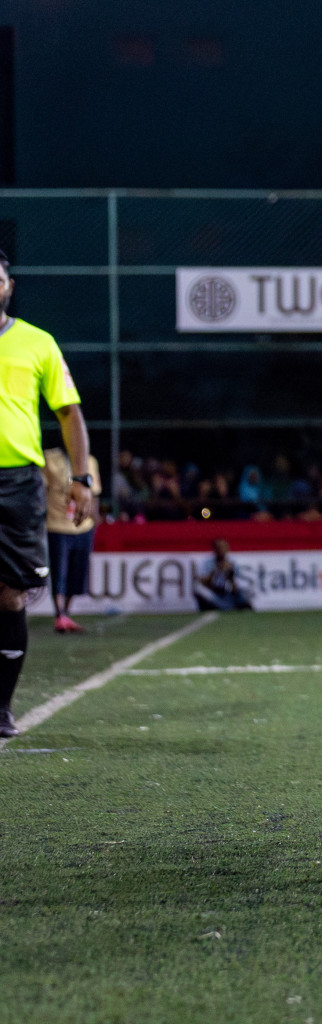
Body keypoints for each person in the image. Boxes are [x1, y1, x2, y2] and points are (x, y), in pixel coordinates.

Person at [0, 250, 95, 738]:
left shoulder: (37, 342)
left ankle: (2, 705)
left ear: (7, 285)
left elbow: (69, 413)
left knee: (10, 596)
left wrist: (82, 478)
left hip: (17, 485)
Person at [43, 446, 101, 633]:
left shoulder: (90, 460)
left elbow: (95, 493)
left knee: (77, 573)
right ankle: (59, 614)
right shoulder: (50, 459)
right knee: (59, 571)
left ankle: (66, 613)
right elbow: (41, 490)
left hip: (83, 526)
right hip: (57, 524)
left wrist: (95, 517)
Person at [194, 538, 253, 611]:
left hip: (227, 594)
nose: (221, 550)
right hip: (213, 593)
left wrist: (230, 574)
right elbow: (202, 581)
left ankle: (232, 606)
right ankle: (225, 607)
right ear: (214, 549)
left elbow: (236, 588)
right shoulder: (207, 562)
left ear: (227, 549)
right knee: (199, 590)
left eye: (223, 547)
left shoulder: (233, 562)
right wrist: (216, 571)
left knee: (245, 592)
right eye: (218, 548)